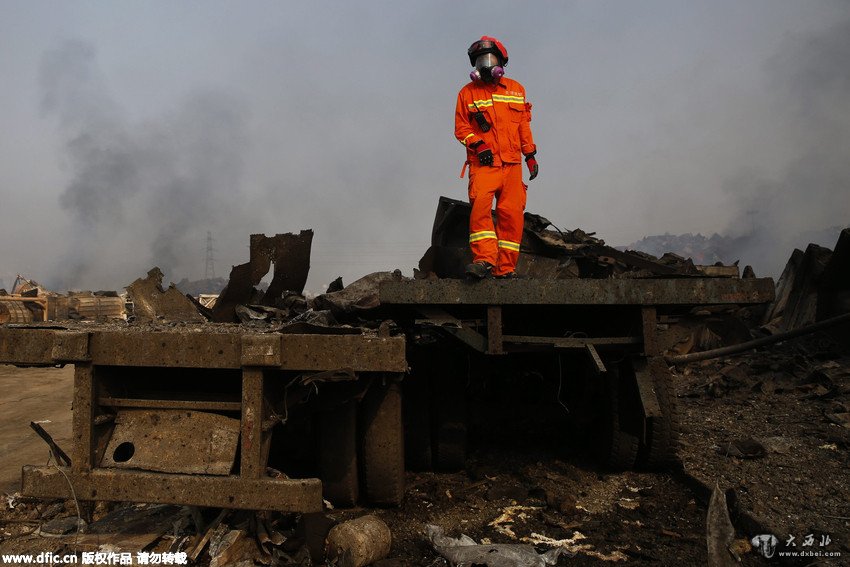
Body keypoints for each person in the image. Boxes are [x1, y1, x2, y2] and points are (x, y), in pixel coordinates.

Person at [455, 36, 538, 279]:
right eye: (481, 60)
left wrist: (530, 154)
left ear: (501, 62)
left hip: (512, 165)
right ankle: (484, 261)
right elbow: (461, 128)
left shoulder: (516, 90)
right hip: (483, 165)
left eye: (490, 59)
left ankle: (505, 269)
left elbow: (523, 125)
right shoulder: (467, 94)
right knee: (480, 210)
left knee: (512, 216)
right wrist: (478, 145)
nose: (486, 65)